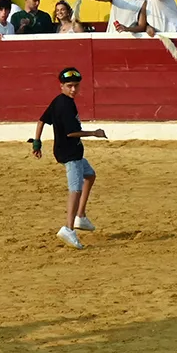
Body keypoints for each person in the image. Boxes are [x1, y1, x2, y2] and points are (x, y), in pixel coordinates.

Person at [32, 66, 105, 249]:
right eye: (70, 86)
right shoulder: (65, 105)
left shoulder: (58, 101)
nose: (73, 89)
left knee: (90, 175)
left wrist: (37, 142)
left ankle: (80, 216)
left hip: (73, 152)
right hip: (70, 153)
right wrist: (94, 133)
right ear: (62, 86)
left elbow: (41, 120)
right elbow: (72, 132)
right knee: (75, 190)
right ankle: (68, 228)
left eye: (76, 86)